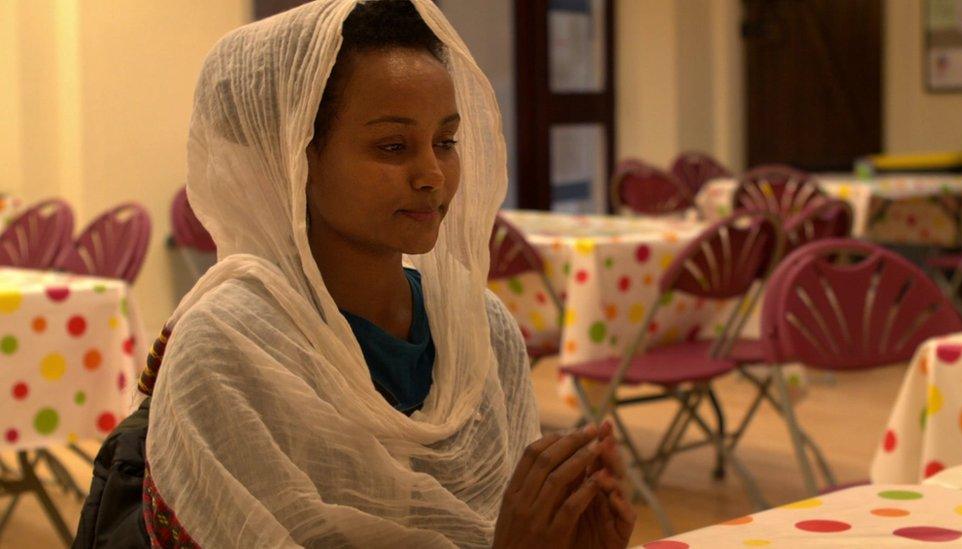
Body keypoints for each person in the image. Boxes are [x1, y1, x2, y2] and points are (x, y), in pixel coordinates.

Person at [74, 1, 635, 547]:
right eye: (393, 146)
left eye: (446, 141)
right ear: (294, 158)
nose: (432, 175)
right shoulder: (229, 348)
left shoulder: (481, 332)